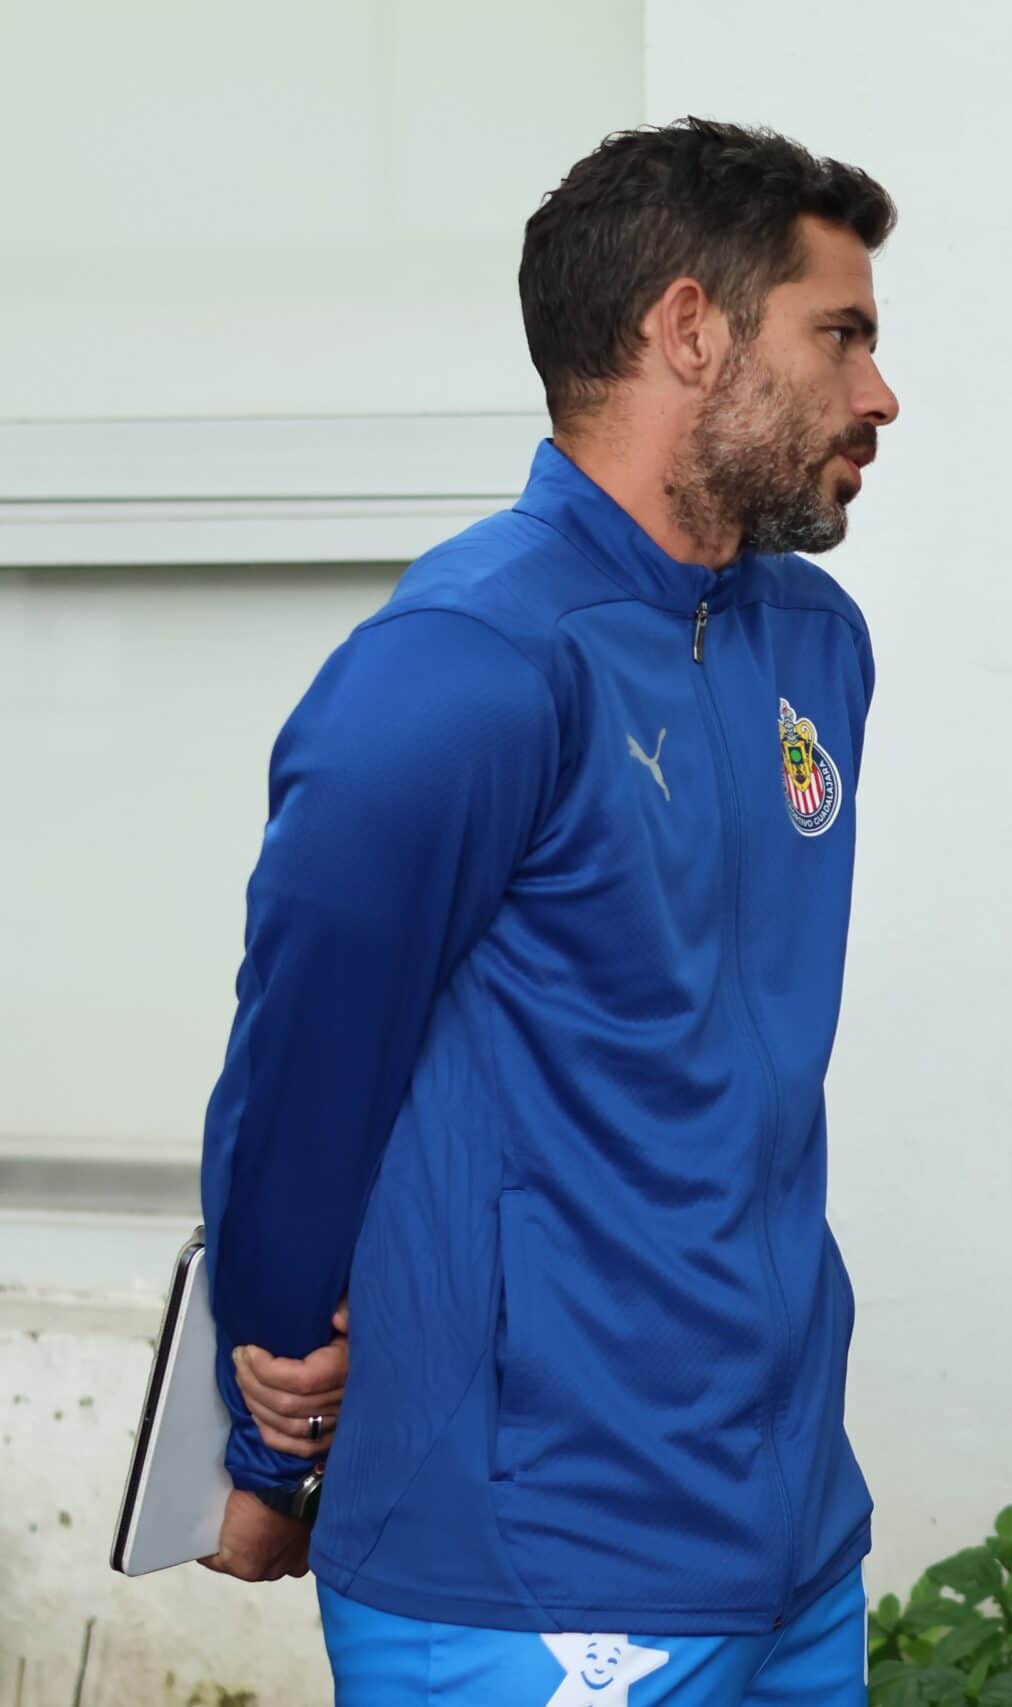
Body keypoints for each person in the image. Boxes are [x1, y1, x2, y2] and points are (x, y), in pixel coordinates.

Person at [195, 116, 899, 1705]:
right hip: (533, 1559)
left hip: (789, 1538)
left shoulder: (817, 643)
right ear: (689, 329)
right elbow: (307, 1065)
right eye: (840, 334)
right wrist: (267, 1424)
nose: (879, 393)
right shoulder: (464, 666)